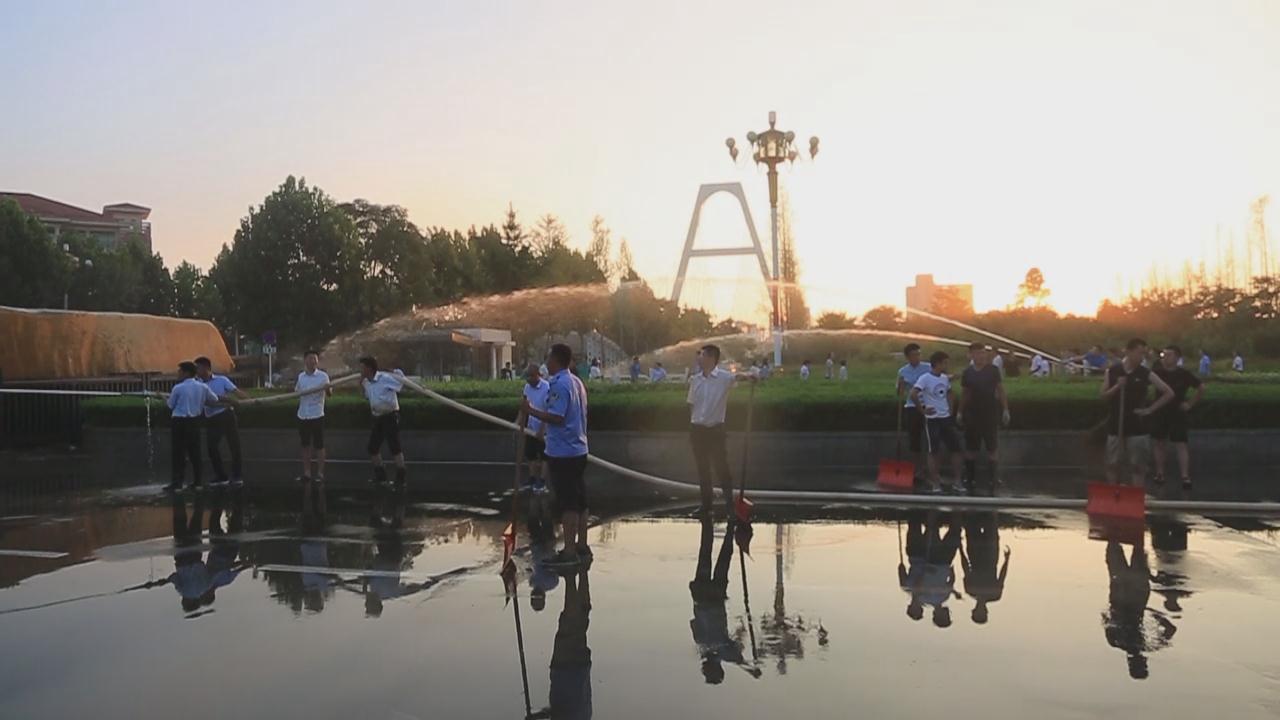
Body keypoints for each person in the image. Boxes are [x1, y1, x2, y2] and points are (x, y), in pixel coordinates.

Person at [523, 343, 591, 568]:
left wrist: (530, 411)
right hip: (578, 450)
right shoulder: (576, 382)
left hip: (564, 452)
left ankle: (570, 552)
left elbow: (557, 417)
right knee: (580, 500)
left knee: (568, 502)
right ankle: (582, 546)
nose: (546, 362)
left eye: (549, 358)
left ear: (556, 360)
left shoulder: (560, 384)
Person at [686, 345, 755, 517]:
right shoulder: (695, 380)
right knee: (703, 469)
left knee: (721, 468)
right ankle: (706, 506)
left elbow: (738, 376)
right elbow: (691, 404)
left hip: (715, 430)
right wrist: (694, 423)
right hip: (698, 430)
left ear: (711, 358)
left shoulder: (723, 378)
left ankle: (730, 507)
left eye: (702, 355)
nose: (699, 358)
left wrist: (750, 376)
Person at [1101, 338, 1174, 486]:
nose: (1142, 357)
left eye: (1144, 354)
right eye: (1139, 353)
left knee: (1138, 465)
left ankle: (1136, 493)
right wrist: (1117, 386)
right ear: (1129, 352)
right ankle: (1113, 492)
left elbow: (1168, 392)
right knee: (1112, 463)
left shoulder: (1145, 373)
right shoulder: (1113, 371)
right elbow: (1103, 396)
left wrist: (1149, 410)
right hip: (1116, 423)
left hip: (1137, 425)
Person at [689, 518, 746, 684]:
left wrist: (746, 664)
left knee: (724, 560)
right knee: (705, 554)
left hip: (715, 598)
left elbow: (737, 653)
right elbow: (693, 622)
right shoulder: (701, 643)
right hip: (701, 596)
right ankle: (708, 524)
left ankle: (730, 527)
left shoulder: (723, 652)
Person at [1151, 346, 1204, 490]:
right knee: (1159, 442)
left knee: (1181, 444)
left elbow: (1201, 387)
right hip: (1160, 411)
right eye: (1164, 355)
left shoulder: (1184, 374)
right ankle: (1160, 473)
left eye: (1169, 355)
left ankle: (1185, 476)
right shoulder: (1157, 373)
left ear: (1177, 357)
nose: (1165, 358)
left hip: (1177, 412)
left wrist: (1190, 404)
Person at [958, 343, 1010, 488]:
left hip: (990, 413)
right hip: (972, 414)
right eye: (978, 353)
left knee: (992, 447)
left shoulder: (993, 370)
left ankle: (993, 478)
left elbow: (1000, 390)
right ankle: (970, 478)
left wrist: (1005, 409)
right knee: (971, 448)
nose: (981, 356)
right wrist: (960, 412)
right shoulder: (968, 372)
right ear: (971, 355)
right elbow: (965, 393)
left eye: (983, 353)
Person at [911, 351, 963, 493]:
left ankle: (957, 481)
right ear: (938, 363)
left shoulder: (944, 378)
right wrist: (922, 410)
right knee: (933, 451)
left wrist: (951, 410)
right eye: (945, 363)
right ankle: (935, 482)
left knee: (956, 449)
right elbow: (913, 393)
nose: (947, 365)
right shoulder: (925, 378)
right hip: (933, 419)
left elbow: (950, 393)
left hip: (945, 418)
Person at [166, 361, 221, 492]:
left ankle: (177, 483)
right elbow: (214, 399)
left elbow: (170, 405)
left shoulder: (178, 388)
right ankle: (198, 482)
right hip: (195, 422)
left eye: (180, 371)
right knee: (195, 452)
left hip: (179, 421)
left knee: (178, 453)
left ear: (186, 373)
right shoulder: (203, 387)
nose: (178, 373)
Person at [195, 356, 249, 487]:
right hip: (212, 418)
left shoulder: (221, 380)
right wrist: (228, 400)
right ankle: (221, 476)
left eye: (198, 368)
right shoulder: (198, 384)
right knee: (211, 447)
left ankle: (237, 476)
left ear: (206, 368)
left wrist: (249, 400)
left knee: (234, 446)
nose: (196, 371)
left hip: (226, 415)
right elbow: (209, 400)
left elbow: (236, 392)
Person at [359, 356, 407, 487]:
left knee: (394, 447)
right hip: (377, 417)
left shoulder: (385, 378)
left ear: (369, 368)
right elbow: (366, 396)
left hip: (390, 416)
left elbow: (401, 383)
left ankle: (401, 477)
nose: (360, 371)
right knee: (372, 448)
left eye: (362, 368)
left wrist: (396, 372)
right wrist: (361, 384)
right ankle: (381, 476)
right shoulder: (366, 382)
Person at [960, 512, 1010, 625]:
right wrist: (1006, 560)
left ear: (974, 610)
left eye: (978, 612)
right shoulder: (995, 595)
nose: (980, 610)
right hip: (991, 556)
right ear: (986, 612)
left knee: (971, 522)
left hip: (974, 555)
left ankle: (973, 507)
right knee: (991, 523)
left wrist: (961, 550)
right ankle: (992, 507)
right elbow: (1002, 577)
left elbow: (966, 569)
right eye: (981, 613)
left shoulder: (970, 590)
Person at [295, 349, 331, 483]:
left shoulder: (323, 376)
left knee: (319, 445)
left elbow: (330, 394)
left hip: (317, 415)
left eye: (315, 359)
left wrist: (327, 388)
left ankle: (320, 474)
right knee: (305, 445)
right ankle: (307, 473)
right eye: (310, 358)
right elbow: (297, 392)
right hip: (303, 415)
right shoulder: (301, 377)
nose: (313, 361)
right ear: (305, 361)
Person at [896, 344, 932, 480]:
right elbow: (899, 393)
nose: (917, 357)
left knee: (931, 438)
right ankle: (918, 469)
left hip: (928, 405)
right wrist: (900, 385)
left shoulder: (928, 367)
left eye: (918, 354)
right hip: (912, 407)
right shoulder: (903, 371)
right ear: (907, 357)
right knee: (914, 440)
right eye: (913, 355)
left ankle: (931, 468)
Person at [521, 363, 551, 493]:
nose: (528, 379)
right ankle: (532, 478)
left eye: (530, 376)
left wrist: (542, 430)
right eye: (527, 377)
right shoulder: (527, 387)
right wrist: (519, 423)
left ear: (537, 375)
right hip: (531, 427)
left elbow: (548, 410)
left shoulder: (547, 387)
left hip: (544, 429)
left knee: (544, 455)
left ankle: (542, 481)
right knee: (530, 453)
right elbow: (524, 407)